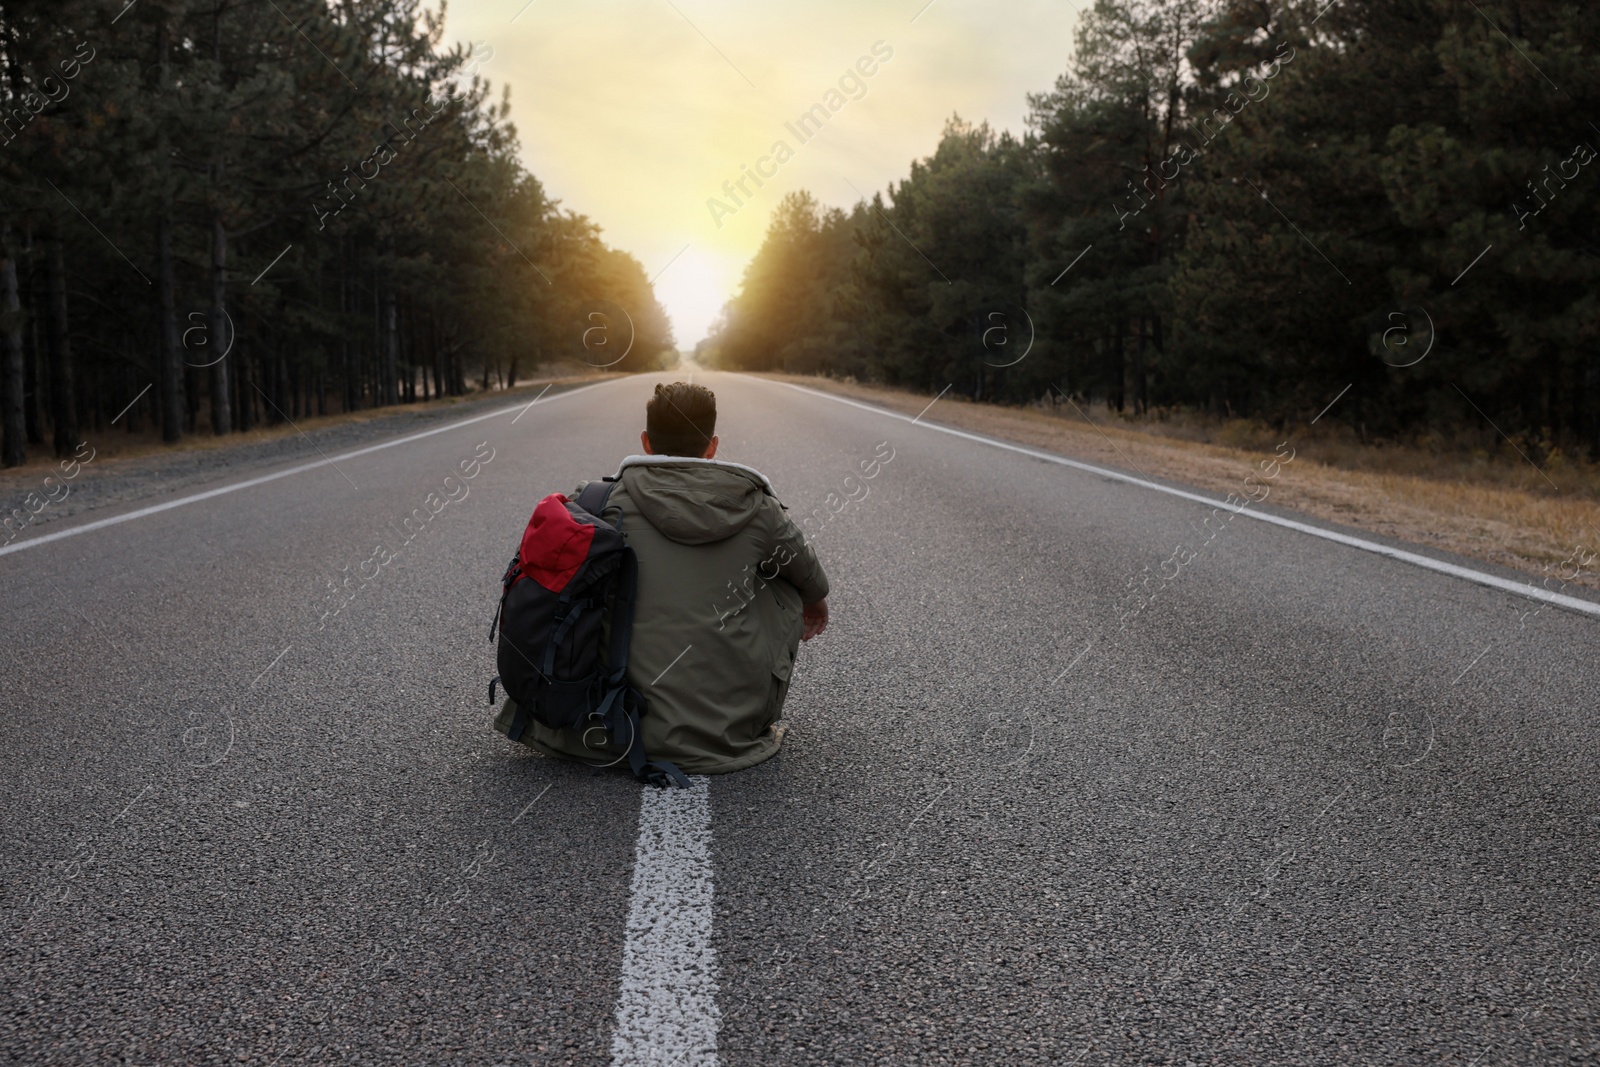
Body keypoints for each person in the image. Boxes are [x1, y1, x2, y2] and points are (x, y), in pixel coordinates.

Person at [499, 381, 830, 775]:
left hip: (598, 724)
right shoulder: (758, 509)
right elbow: (813, 581)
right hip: (721, 734)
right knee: (783, 581)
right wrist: (814, 604)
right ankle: (733, 705)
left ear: (646, 442)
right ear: (712, 446)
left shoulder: (596, 502)